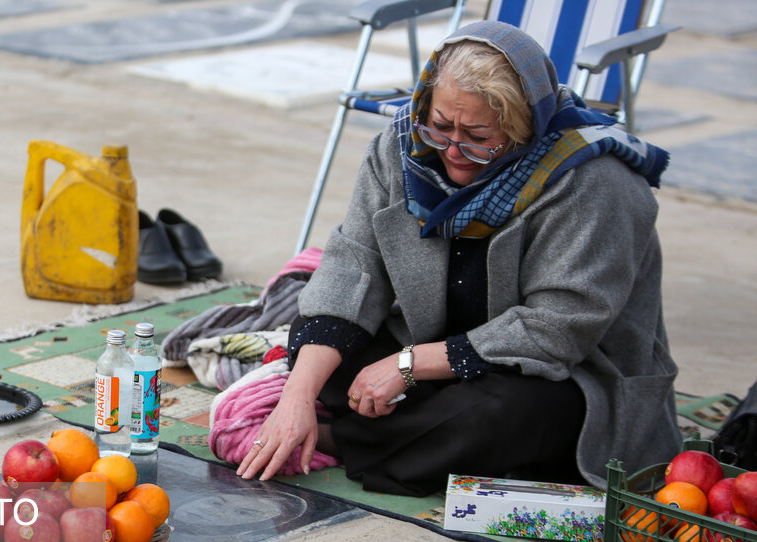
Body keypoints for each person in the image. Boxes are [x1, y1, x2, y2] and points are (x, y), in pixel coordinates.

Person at [236, 20, 681, 495]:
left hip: (561, 376)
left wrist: (408, 365)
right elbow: (354, 265)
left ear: (523, 127)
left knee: (495, 417)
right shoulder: (404, 147)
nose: (452, 151)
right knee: (327, 350)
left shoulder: (594, 182)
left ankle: (339, 438)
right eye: (441, 126)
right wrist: (297, 397)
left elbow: (558, 329)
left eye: (479, 136)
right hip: (436, 349)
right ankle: (360, 430)